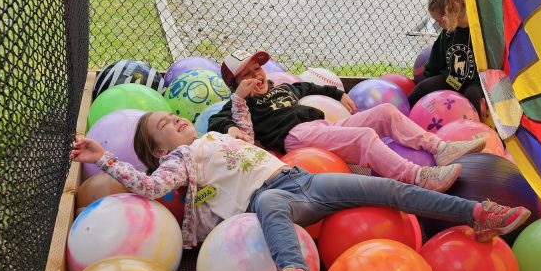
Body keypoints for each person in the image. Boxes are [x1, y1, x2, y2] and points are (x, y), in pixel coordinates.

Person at [70, 112, 531, 271]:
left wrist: (242, 99)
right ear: (159, 149)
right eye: (161, 127)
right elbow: (150, 187)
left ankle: (479, 212)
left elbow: (246, 137)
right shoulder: (182, 161)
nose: (173, 120)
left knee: (390, 189)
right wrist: (104, 159)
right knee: (267, 204)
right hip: (273, 198)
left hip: (303, 180)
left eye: (171, 115)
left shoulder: (212, 137)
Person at [207, 50, 486, 194]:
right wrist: (235, 116)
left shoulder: (283, 89)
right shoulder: (240, 105)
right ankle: (419, 177)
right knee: (364, 137)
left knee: (386, 111)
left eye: (258, 69)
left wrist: (338, 93)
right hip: (296, 138)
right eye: (247, 75)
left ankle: (440, 148)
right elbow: (217, 122)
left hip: (322, 127)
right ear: (236, 85)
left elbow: (311, 87)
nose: (257, 76)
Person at [409, 0, 483, 113]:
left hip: (475, 82)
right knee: (422, 88)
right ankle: (403, 116)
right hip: (452, 79)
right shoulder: (447, 33)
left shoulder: (478, 30)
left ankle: (475, 128)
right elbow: (437, 57)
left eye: (439, 21)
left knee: (472, 96)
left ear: (449, 14)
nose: (438, 25)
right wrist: (429, 76)